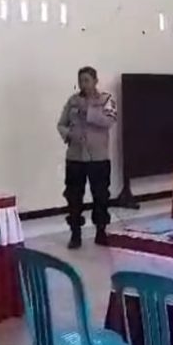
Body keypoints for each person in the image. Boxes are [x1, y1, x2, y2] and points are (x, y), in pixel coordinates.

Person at [56, 66, 118, 249]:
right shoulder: (72, 101)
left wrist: (89, 112)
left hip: (98, 158)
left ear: (95, 81)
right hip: (75, 158)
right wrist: (69, 135)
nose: (83, 84)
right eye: (81, 80)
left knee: (101, 196)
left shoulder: (106, 100)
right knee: (74, 197)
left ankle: (101, 232)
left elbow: (110, 121)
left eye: (87, 80)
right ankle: (75, 234)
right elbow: (61, 124)